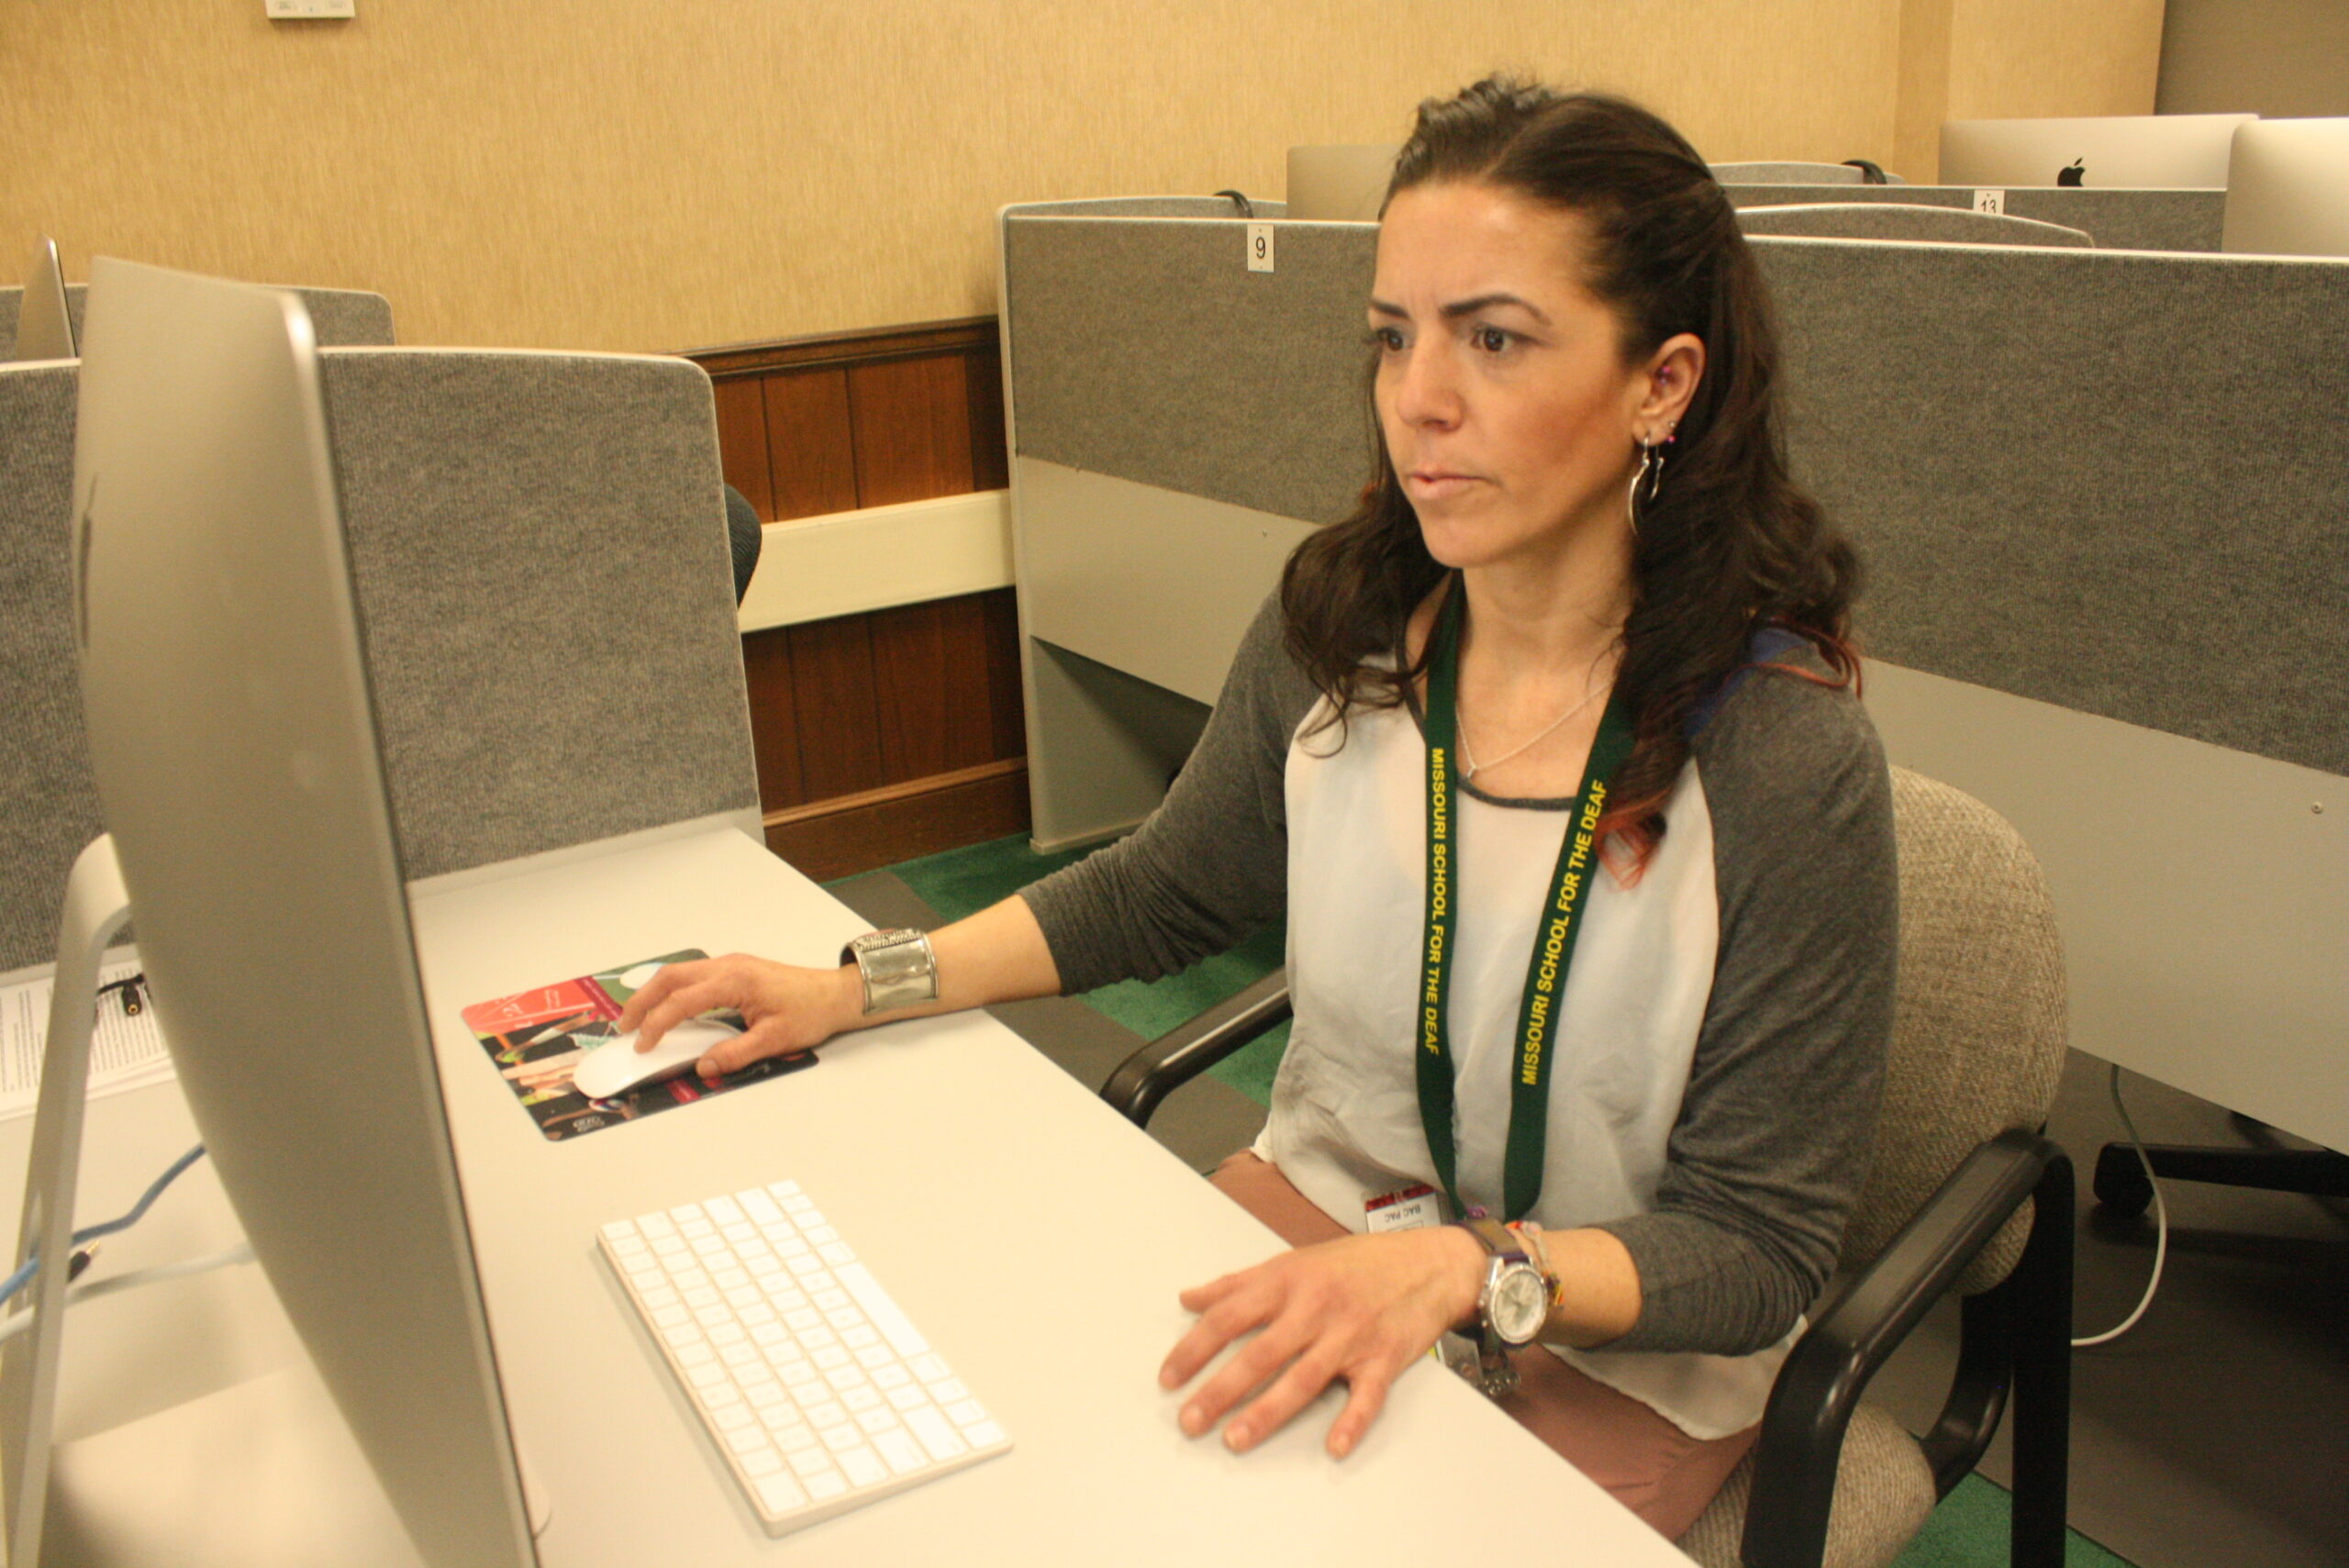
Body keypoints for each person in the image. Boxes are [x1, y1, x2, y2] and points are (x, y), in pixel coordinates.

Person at [617, 78, 1896, 1540]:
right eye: (1394, 336)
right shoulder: (1345, 632)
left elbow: (1759, 1246)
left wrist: (1473, 1271)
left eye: (1493, 338)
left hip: (1615, 1341)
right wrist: (861, 982)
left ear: (1661, 384)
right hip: (1334, 1222)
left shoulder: (1785, 757)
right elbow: (1159, 890)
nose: (1420, 397)